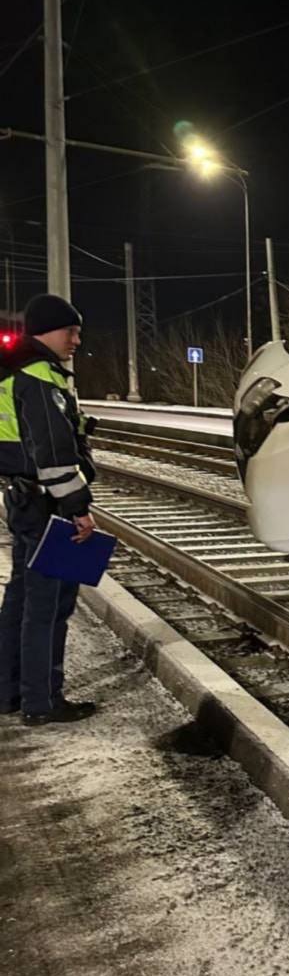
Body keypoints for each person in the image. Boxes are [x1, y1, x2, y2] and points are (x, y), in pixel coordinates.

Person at [0, 293, 99, 725]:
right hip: (46, 507)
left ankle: (8, 692)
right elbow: (55, 454)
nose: (76, 339)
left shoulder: (12, 373)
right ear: (45, 331)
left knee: (21, 599)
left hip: (23, 500)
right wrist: (79, 508)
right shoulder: (40, 378)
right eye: (70, 331)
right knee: (49, 605)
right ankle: (42, 702)